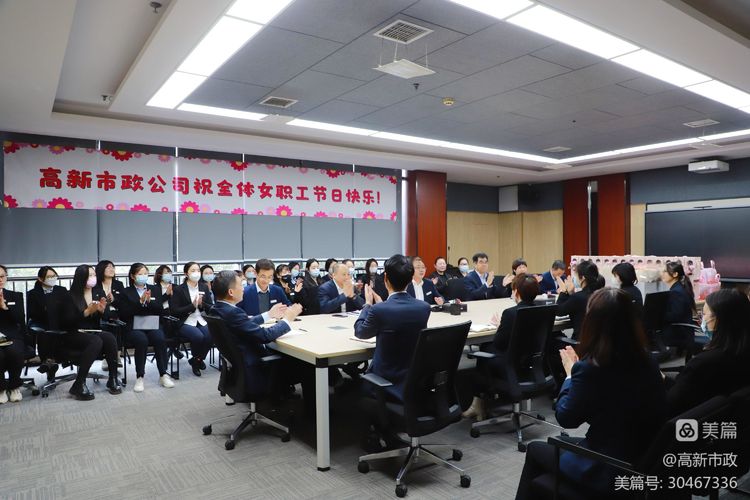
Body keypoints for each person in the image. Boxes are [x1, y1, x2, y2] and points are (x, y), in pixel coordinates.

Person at [515, 288, 666, 499]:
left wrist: (569, 375)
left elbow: (567, 418)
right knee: (554, 448)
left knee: (535, 450)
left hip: (607, 466)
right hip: (642, 457)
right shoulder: (647, 359)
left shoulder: (591, 368)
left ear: (593, 323)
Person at [211, 271, 310, 399]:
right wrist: (288, 319)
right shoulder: (233, 313)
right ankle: (312, 414)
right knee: (307, 365)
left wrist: (269, 314)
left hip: (241, 364)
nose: (243, 289)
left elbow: (243, 323)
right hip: (257, 366)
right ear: (231, 292)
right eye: (241, 285)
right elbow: (265, 336)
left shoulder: (219, 309)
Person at [354, 254, 431, 400]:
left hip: (385, 383)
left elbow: (360, 332)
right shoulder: (424, 307)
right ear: (410, 279)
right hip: (413, 381)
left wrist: (368, 305)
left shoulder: (379, 310)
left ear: (385, 279)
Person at [463, 274, 539, 420]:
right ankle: (480, 402)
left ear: (516, 292)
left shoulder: (511, 313)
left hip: (510, 365)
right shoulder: (540, 309)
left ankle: (478, 402)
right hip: (531, 363)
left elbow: (499, 343)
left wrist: (500, 327)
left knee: (485, 348)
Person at [666, 289, 750, 417]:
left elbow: (673, 402)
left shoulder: (704, 363)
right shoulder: (741, 353)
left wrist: (663, 380)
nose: (701, 320)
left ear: (718, 320)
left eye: (704, 314)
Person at [67, 264, 122, 397]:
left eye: (94, 275)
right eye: (89, 275)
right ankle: (79, 384)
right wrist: (86, 312)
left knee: (109, 337)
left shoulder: (97, 292)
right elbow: (67, 321)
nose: (93, 278)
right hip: (74, 332)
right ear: (81, 278)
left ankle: (112, 378)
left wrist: (101, 312)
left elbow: (104, 316)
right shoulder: (70, 295)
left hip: (92, 331)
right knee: (96, 340)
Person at [119, 263, 174, 392]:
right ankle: (140, 376)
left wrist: (148, 303)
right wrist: (140, 303)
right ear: (133, 276)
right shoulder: (126, 292)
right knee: (141, 340)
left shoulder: (154, 289)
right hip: (134, 327)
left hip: (152, 325)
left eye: (145, 273)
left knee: (160, 338)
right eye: (140, 274)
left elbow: (159, 309)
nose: (143, 276)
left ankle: (163, 374)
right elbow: (124, 313)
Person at [170, 262, 214, 377]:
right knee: (198, 336)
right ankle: (196, 362)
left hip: (200, 318)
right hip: (185, 320)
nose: (196, 273)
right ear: (186, 273)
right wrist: (192, 306)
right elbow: (174, 310)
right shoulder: (179, 289)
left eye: (198, 270)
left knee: (210, 335)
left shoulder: (204, 286)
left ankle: (197, 360)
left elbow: (210, 306)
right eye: (193, 271)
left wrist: (201, 304)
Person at [555, 260, 604, 340]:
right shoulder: (601, 294)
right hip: (599, 343)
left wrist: (563, 291)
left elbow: (558, 311)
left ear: (583, 278)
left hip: (581, 344)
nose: (575, 278)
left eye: (576, 276)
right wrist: (571, 293)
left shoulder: (578, 297)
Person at [0, 265, 26, 403]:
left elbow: (20, 319)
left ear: (6, 277)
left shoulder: (15, 296)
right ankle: (1, 388)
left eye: (2, 276)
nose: (0, 279)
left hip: (12, 334)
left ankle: (15, 386)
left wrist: (5, 308)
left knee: (14, 352)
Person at [661, 261, 697, 349]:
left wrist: (658, 316)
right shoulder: (680, 288)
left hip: (679, 333)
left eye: (665, 271)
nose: (662, 274)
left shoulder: (676, 292)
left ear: (675, 274)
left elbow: (675, 316)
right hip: (683, 331)